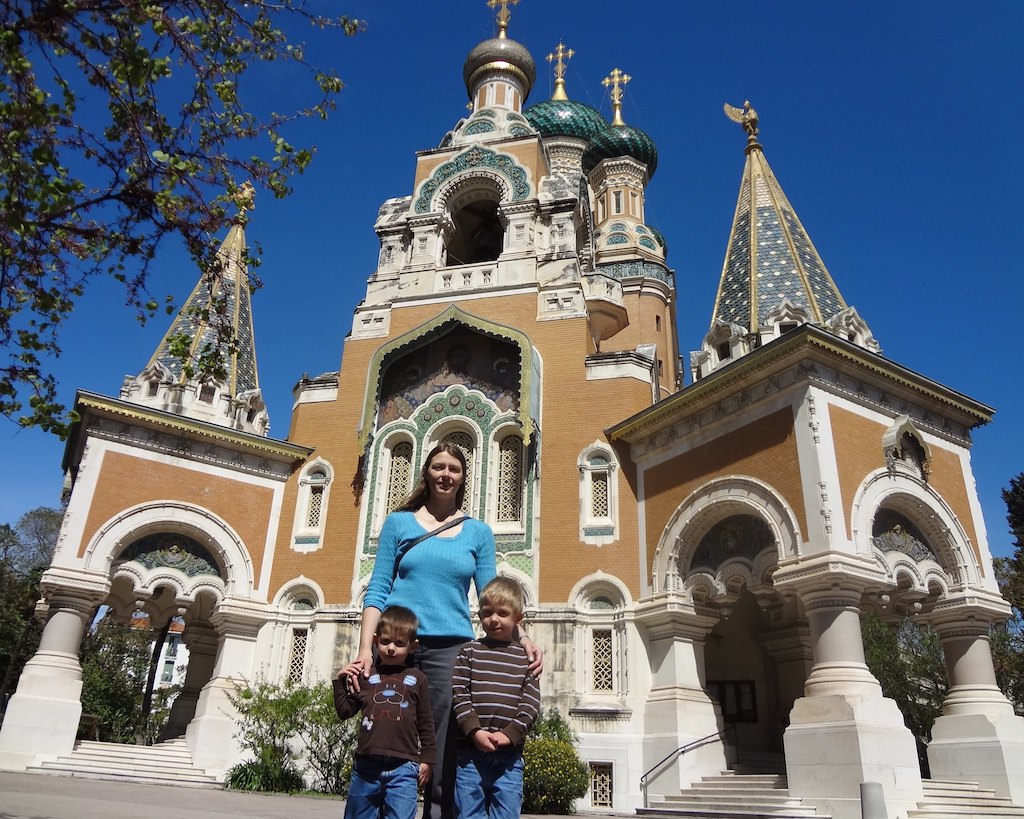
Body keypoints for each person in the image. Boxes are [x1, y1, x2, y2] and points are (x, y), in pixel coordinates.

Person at [345, 441, 543, 819]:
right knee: (388, 733)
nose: (445, 474)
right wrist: (365, 649)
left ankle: (437, 814)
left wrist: (523, 637)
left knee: (442, 743)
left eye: (454, 468)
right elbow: (379, 587)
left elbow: (492, 595)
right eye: (439, 467)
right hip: (398, 646)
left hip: (451, 650)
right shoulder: (399, 523)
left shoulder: (477, 532)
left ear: (463, 477)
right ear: (427, 472)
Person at [334, 606, 436, 819]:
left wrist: (427, 759)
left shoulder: (417, 679)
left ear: (413, 646)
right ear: (375, 640)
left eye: (399, 643)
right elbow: (345, 711)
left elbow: (425, 722)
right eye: (385, 641)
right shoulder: (367, 676)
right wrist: (340, 681)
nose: (391, 648)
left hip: (403, 767)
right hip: (366, 766)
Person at [452, 576, 540, 819]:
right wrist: (474, 731)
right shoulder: (469, 651)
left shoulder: (526, 659)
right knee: (468, 813)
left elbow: (531, 703)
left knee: (507, 813)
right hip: (471, 753)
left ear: (518, 618)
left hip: (509, 756)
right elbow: (459, 694)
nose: (494, 619)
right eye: (487, 612)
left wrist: (510, 734)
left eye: (502, 613)